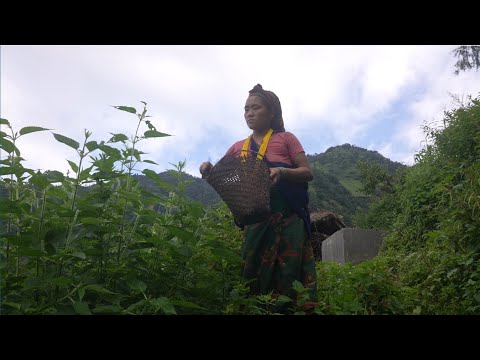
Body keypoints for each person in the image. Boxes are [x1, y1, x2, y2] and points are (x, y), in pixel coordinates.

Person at [200, 84, 318, 310]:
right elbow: (224, 176)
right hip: (256, 222)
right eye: (246, 109)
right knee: (252, 275)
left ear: (272, 112)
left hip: (288, 219)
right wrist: (208, 169)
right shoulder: (238, 147)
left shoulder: (286, 139)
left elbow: (307, 172)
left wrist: (282, 172)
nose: (249, 113)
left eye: (256, 108)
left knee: (290, 275)